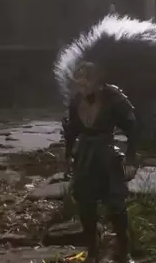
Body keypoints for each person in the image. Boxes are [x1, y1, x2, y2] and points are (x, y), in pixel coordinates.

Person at [62, 61, 137, 263]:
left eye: (86, 81)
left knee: (116, 204)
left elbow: (133, 128)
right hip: (85, 155)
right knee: (86, 204)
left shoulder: (114, 97)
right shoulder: (77, 100)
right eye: (79, 82)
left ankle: (123, 250)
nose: (82, 86)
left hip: (107, 154)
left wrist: (131, 158)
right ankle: (93, 251)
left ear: (96, 80)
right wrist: (68, 155)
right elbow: (72, 130)